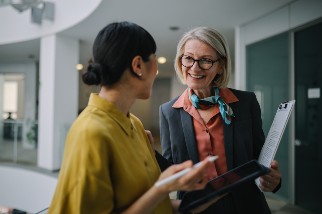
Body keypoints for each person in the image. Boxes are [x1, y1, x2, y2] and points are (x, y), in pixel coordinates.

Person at [48, 22, 215, 214]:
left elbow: (152, 206)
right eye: (155, 61)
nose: (157, 71)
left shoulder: (134, 124)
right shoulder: (89, 133)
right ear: (138, 66)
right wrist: (162, 188)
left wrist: (203, 202)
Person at [159, 26, 282, 213]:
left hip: (247, 206)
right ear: (180, 61)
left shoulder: (246, 102)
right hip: (197, 208)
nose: (195, 67)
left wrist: (272, 180)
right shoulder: (168, 111)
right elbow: (171, 170)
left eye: (206, 60)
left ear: (220, 66)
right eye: (188, 58)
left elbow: (260, 158)